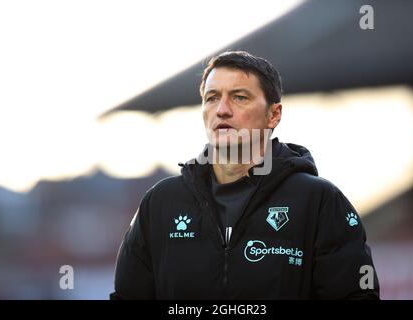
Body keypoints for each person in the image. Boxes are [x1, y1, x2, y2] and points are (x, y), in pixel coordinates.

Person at [111, 51, 380, 299]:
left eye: (239, 97)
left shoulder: (319, 201)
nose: (222, 109)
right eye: (212, 98)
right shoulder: (160, 203)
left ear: (274, 115)